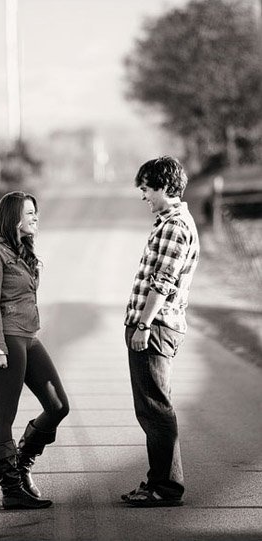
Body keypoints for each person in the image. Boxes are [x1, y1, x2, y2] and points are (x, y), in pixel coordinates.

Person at [0, 191, 70, 510]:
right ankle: (11, 489)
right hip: (8, 339)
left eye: (36, 212)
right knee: (5, 415)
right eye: (29, 213)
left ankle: (23, 462)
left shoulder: (21, 251)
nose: (35, 218)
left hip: (28, 336)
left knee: (58, 406)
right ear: (13, 216)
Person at [121, 156, 199, 508]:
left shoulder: (174, 226)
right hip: (157, 325)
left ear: (166, 187)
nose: (144, 196)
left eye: (147, 189)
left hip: (155, 326)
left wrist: (143, 324)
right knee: (153, 407)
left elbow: (163, 283)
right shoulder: (169, 221)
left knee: (155, 408)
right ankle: (160, 482)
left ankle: (165, 488)